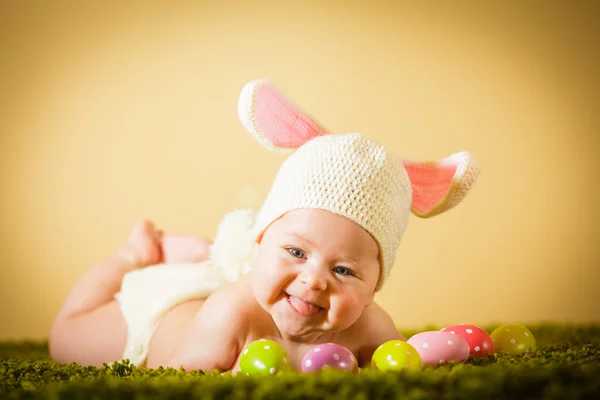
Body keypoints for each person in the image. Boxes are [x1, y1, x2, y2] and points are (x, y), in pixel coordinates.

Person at [49, 79, 479, 373]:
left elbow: (401, 362)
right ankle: (138, 255)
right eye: (296, 252)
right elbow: (176, 376)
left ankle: (199, 254)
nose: (313, 281)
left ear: (374, 289)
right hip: (155, 318)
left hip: (215, 287)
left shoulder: (370, 327)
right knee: (65, 338)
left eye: (344, 270)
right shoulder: (230, 316)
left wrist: (432, 352)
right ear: (260, 241)